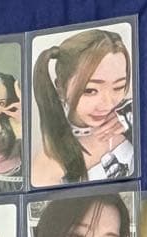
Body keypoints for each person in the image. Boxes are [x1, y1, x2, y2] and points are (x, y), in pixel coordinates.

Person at [31, 28, 135, 186]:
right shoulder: (48, 165)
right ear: (61, 89)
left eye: (118, 87)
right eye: (90, 90)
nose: (108, 104)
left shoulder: (130, 118)